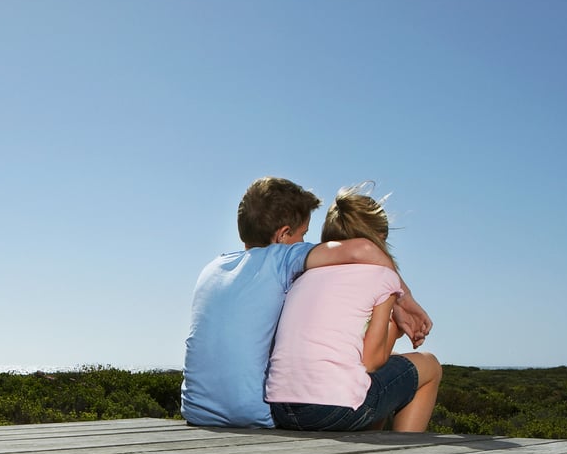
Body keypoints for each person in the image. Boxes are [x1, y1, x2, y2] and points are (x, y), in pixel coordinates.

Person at [181, 176, 433, 428]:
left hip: (196, 412)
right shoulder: (282, 260)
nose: (305, 242)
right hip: (257, 413)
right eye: (302, 234)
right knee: (390, 373)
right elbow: (365, 250)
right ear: (282, 235)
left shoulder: (212, 268)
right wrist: (403, 298)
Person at [265, 184, 442, 432]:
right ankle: (406, 453)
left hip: (281, 409)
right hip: (332, 410)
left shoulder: (304, 274)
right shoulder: (382, 276)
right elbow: (370, 362)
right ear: (380, 238)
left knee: (371, 384)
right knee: (429, 364)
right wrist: (396, 329)